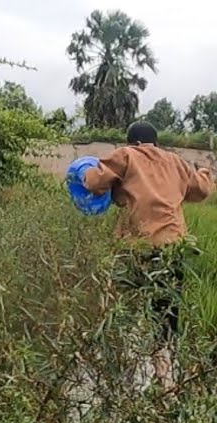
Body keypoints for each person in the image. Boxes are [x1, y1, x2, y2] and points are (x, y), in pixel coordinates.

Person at [80, 121, 214, 390]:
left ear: (133, 142)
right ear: (154, 141)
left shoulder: (126, 155)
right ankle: (166, 383)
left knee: (119, 309)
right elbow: (200, 191)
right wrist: (205, 171)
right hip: (171, 250)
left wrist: (84, 174)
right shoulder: (175, 161)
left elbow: (95, 182)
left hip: (135, 248)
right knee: (165, 316)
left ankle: (115, 377)